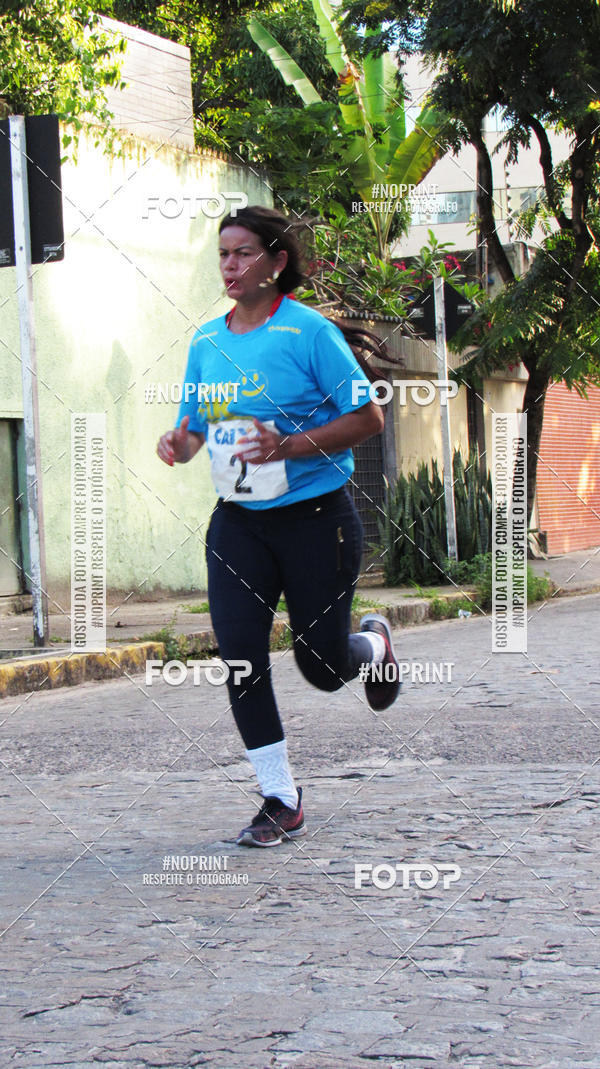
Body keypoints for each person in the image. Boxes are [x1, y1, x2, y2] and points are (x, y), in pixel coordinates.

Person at [157, 205, 401, 847]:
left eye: (242, 254)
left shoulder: (309, 332)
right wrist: (177, 443)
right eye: (223, 255)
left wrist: (287, 445)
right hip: (238, 523)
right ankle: (279, 797)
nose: (229, 266)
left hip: (318, 519)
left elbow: (368, 419)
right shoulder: (207, 342)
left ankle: (373, 646)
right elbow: (193, 429)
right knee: (240, 659)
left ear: (276, 261)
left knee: (320, 666)